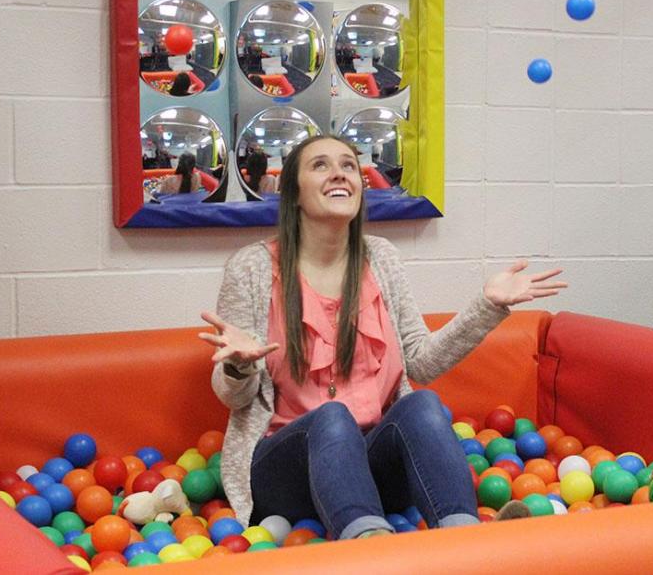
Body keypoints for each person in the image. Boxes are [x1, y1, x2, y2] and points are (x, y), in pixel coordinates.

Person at [199, 135, 567, 540]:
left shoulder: (382, 259)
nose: (339, 172)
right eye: (320, 165)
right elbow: (234, 398)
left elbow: (421, 362)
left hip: (373, 469)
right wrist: (239, 364)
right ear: (294, 194)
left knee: (423, 404)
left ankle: (469, 542)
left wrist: (487, 304)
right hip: (289, 475)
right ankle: (372, 548)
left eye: (349, 165)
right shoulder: (250, 269)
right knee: (332, 416)